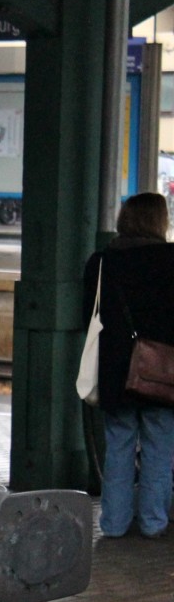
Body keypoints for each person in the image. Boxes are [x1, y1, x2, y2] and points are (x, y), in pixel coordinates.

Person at [83, 192, 174, 538]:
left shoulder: (102, 262)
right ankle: (153, 523)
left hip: (115, 370)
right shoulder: (171, 260)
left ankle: (114, 524)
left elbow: (88, 316)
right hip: (162, 371)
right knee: (159, 447)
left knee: (118, 446)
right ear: (158, 221)